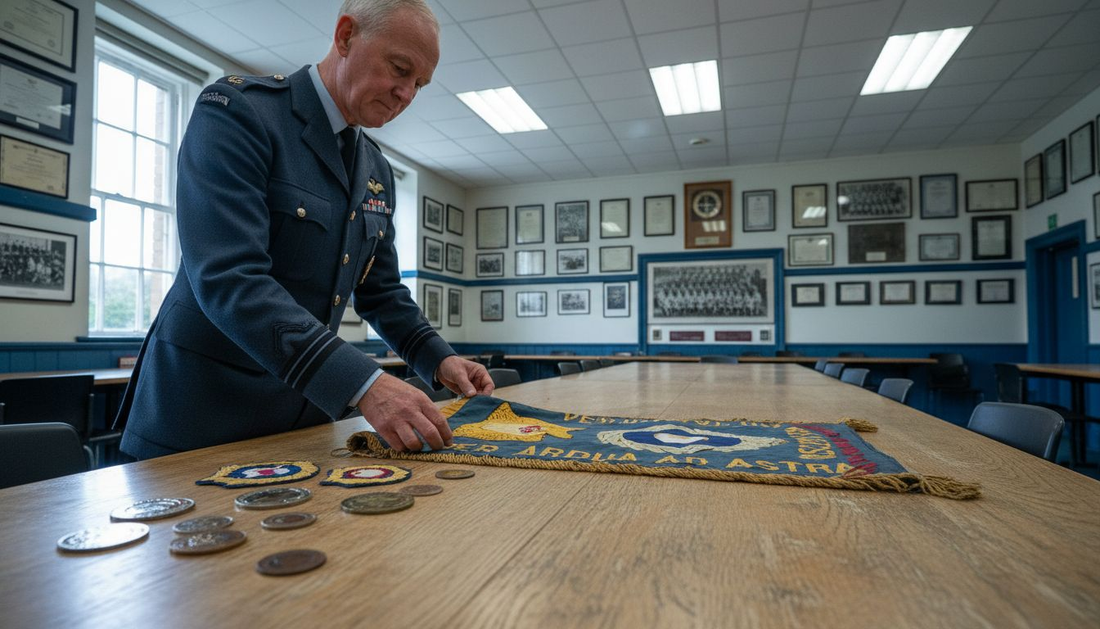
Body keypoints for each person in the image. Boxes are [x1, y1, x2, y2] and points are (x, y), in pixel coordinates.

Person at [115, 0, 493, 460]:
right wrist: (365, 383)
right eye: (400, 69)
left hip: (302, 421)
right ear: (346, 36)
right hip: (202, 419)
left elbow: (381, 291)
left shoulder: (376, 168)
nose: (406, 94)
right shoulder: (240, 112)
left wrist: (439, 358)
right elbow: (230, 279)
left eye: (419, 84)